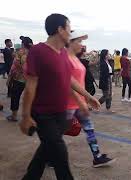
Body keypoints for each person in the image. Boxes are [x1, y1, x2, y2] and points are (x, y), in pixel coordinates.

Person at [19, 14, 100, 180]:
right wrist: (25, 116)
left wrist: (87, 96)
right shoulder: (38, 52)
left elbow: (69, 79)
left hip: (61, 113)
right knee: (60, 155)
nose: (70, 32)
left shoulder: (62, 53)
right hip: (43, 114)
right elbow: (30, 87)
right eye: (68, 28)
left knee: (45, 151)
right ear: (60, 30)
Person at [66, 31, 114, 167]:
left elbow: (79, 82)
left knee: (89, 129)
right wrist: (83, 100)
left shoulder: (76, 59)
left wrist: (86, 99)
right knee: (57, 133)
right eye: (79, 42)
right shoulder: (65, 59)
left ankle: (97, 157)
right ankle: (47, 156)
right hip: (67, 104)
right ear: (70, 42)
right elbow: (67, 84)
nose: (82, 45)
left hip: (79, 103)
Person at [6, 36, 33, 122]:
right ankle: (30, 117)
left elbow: (14, 66)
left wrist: (9, 77)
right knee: (30, 98)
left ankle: (14, 116)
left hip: (19, 79)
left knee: (15, 97)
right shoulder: (34, 53)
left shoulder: (20, 52)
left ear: (22, 44)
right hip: (31, 80)